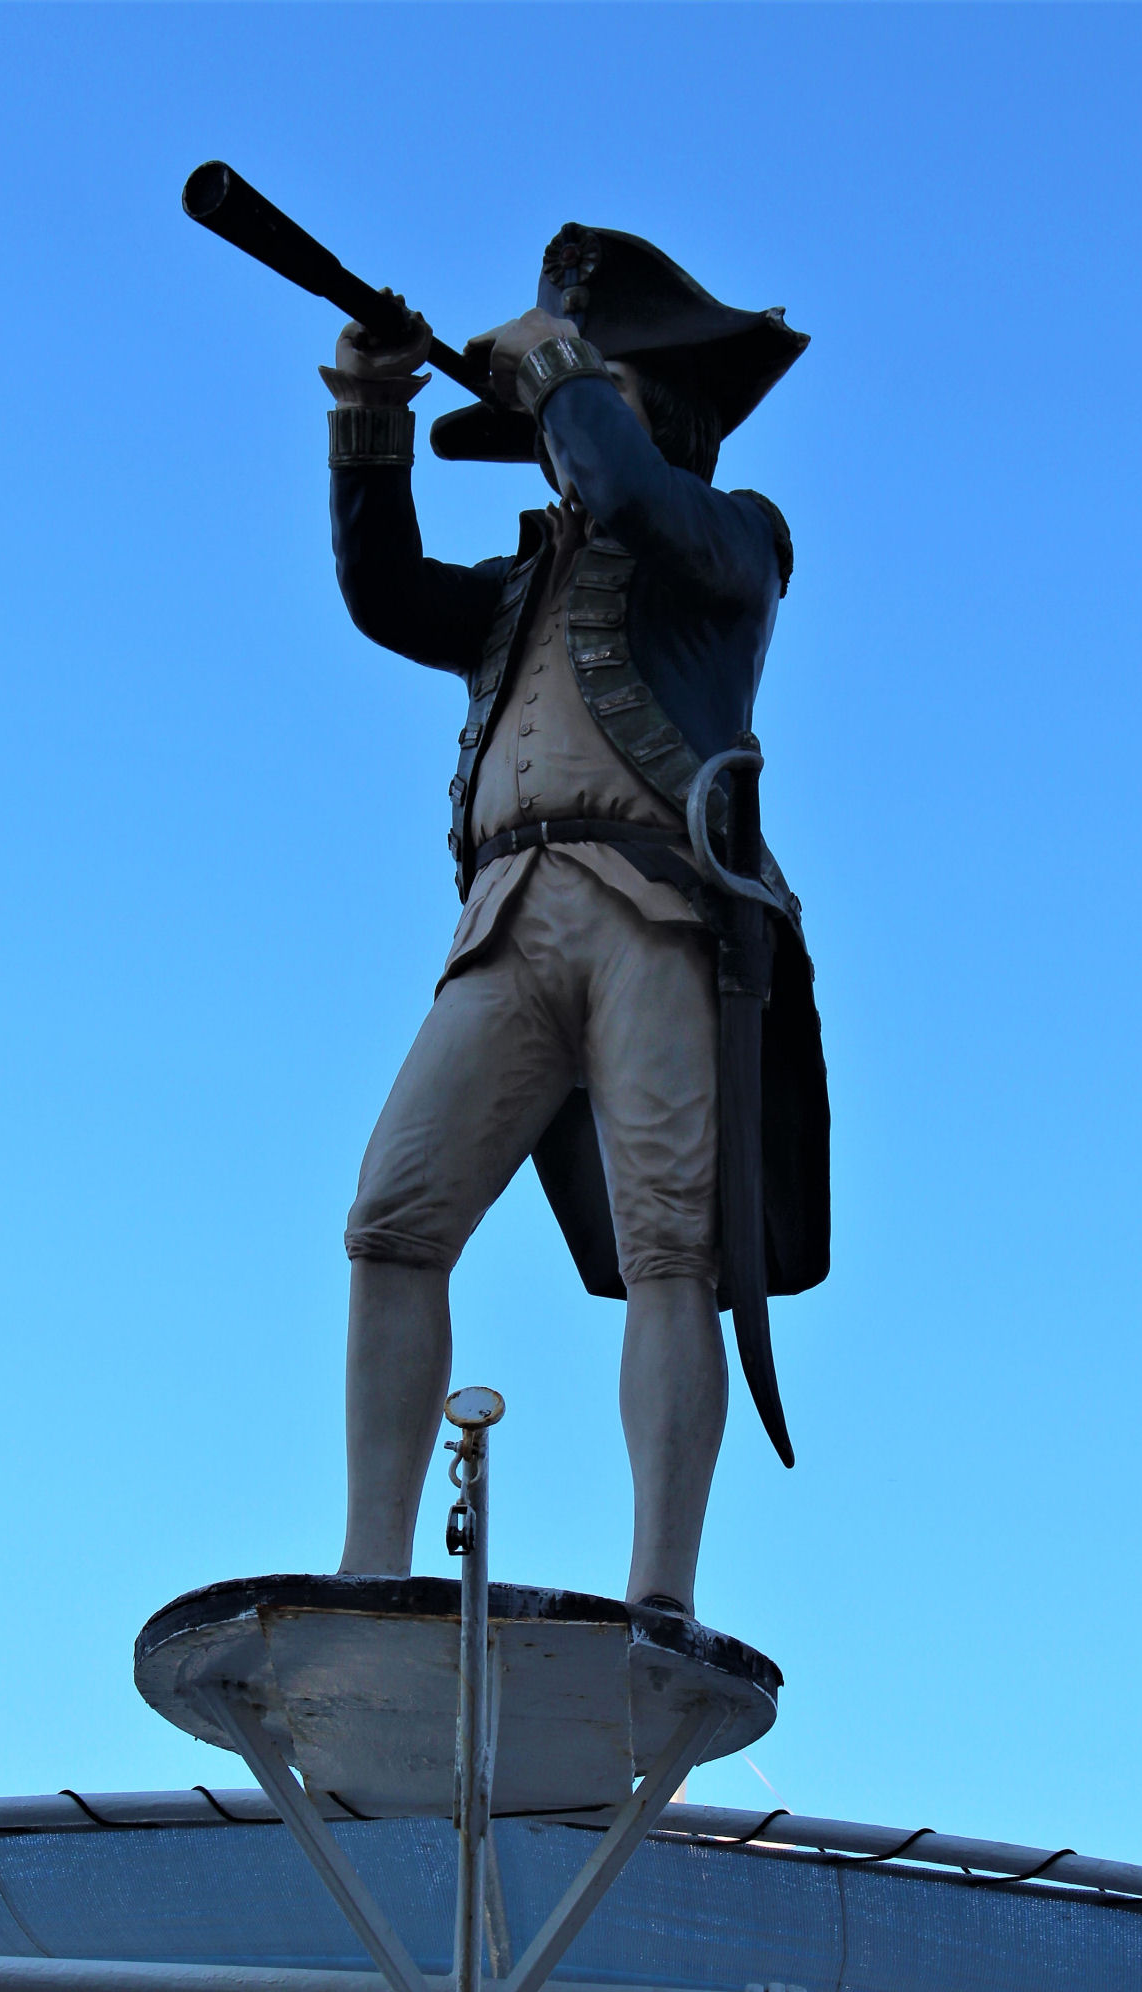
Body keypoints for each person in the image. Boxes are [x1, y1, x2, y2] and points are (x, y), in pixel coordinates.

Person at [322, 225, 829, 1616]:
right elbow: (383, 591)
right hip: (508, 919)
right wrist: (370, 409)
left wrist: (553, 368)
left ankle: (660, 1589)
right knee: (392, 1219)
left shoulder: (733, 538)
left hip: (657, 914)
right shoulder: (520, 588)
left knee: (673, 1248)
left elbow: (631, 491)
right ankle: (373, 1568)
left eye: (598, 389)